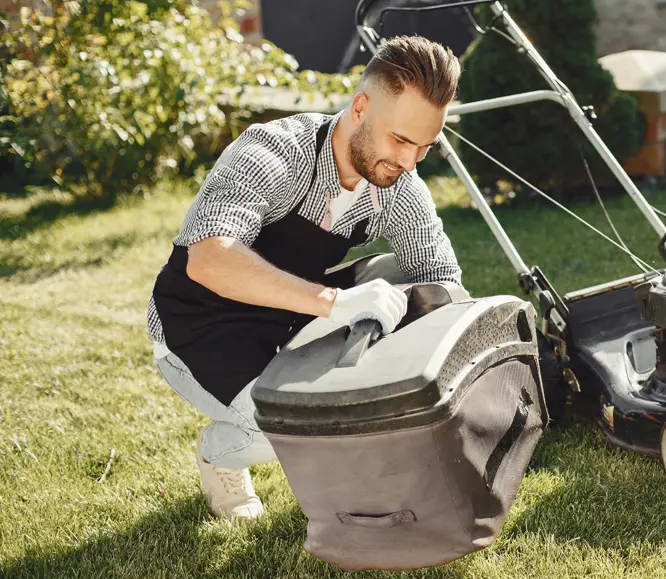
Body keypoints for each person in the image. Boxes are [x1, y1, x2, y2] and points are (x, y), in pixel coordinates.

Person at [147, 35, 464, 520]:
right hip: (197, 328)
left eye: (424, 147)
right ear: (360, 107)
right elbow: (208, 258)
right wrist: (336, 302)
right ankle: (218, 452)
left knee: (419, 286)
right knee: (292, 432)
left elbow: (445, 283)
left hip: (289, 315)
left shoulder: (399, 186)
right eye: (400, 140)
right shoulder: (273, 151)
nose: (407, 162)